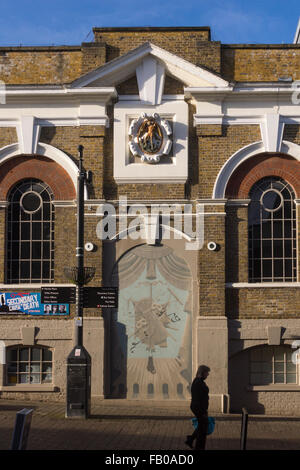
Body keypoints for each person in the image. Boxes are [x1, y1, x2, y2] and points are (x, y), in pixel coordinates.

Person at [185, 365, 210, 450]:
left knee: (202, 426)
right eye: (207, 372)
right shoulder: (198, 382)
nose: (208, 374)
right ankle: (198, 447)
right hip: (198, 408)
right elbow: (198, 398)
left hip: (199, 408)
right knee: (202, 428)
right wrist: (203, 411)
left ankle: (191, 439)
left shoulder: (200, 381)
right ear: (202, 372)